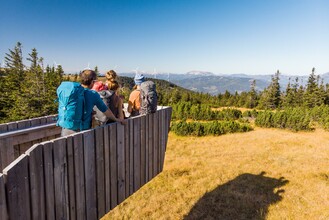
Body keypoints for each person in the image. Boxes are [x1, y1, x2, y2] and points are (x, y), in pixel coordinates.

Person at [61, 69, 125, 136]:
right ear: (92, 81)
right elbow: (105, 110)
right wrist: (116, 119)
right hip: (83, 131)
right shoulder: (93, 94)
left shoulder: (72, 91)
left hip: (66, 129)